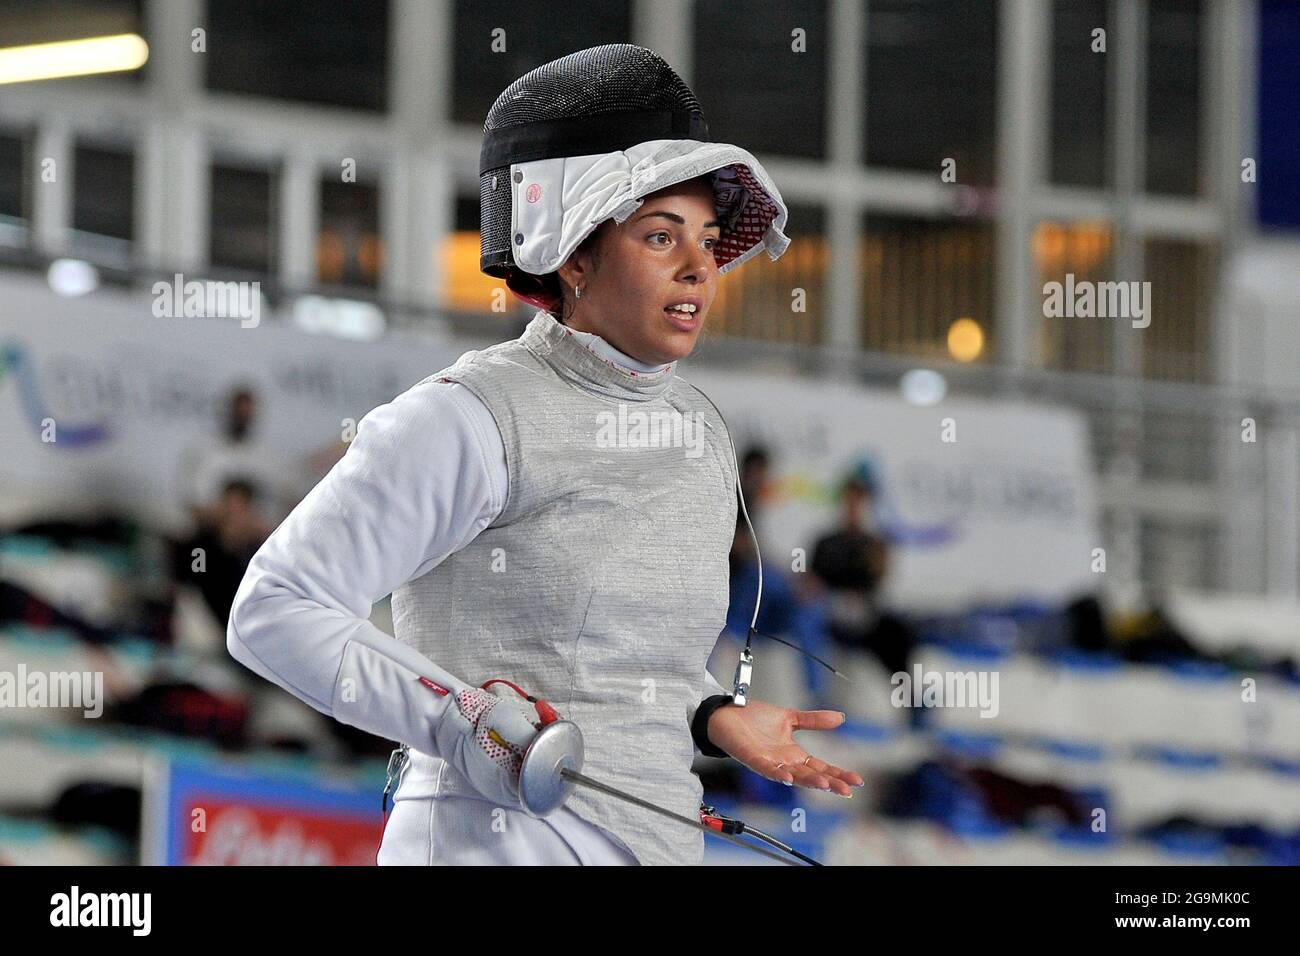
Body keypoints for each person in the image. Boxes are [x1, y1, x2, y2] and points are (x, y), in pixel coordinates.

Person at [226, 44, 861, 867]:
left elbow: (617, 660)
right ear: (575, 256)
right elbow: (276, 606)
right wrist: (462, 720)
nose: (700, 266)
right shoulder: (473, 416)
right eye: (660, 235)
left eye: (706, 238)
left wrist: (709, 715)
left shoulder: (698, 429)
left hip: (657, 840)